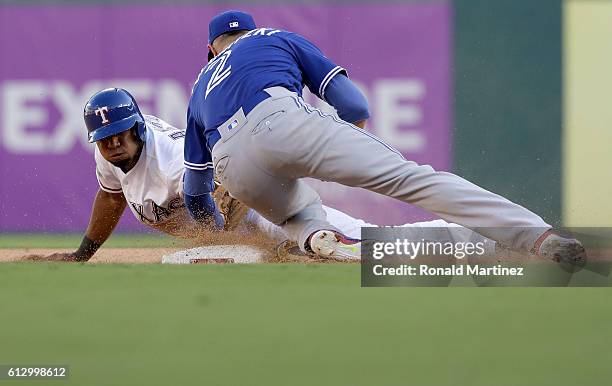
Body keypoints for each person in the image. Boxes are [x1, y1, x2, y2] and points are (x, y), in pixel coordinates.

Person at [183, 10, 585, 263]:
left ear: (210, 50)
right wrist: (342, 143)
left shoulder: (199, 86)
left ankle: (316, 235)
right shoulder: (273, 36)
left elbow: (195, 190)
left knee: (294, 214)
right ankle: (537, 237)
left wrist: (214, 226)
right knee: (411, 179)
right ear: (250, 30)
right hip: (282, 120)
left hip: (232, 164)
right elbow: (351, 103)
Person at [41, 88, 491, 262]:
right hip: (246, 211)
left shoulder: (174, 161)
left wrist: (248, 241)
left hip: (264, 202)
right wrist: (83, 254)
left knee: (354, 244)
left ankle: (481, 238)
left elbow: (229, 200)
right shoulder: (109, 155)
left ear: (136, 126)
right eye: (104, 137)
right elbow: (111, 197)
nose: (113, 142)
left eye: (120, 133)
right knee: (333, 252)